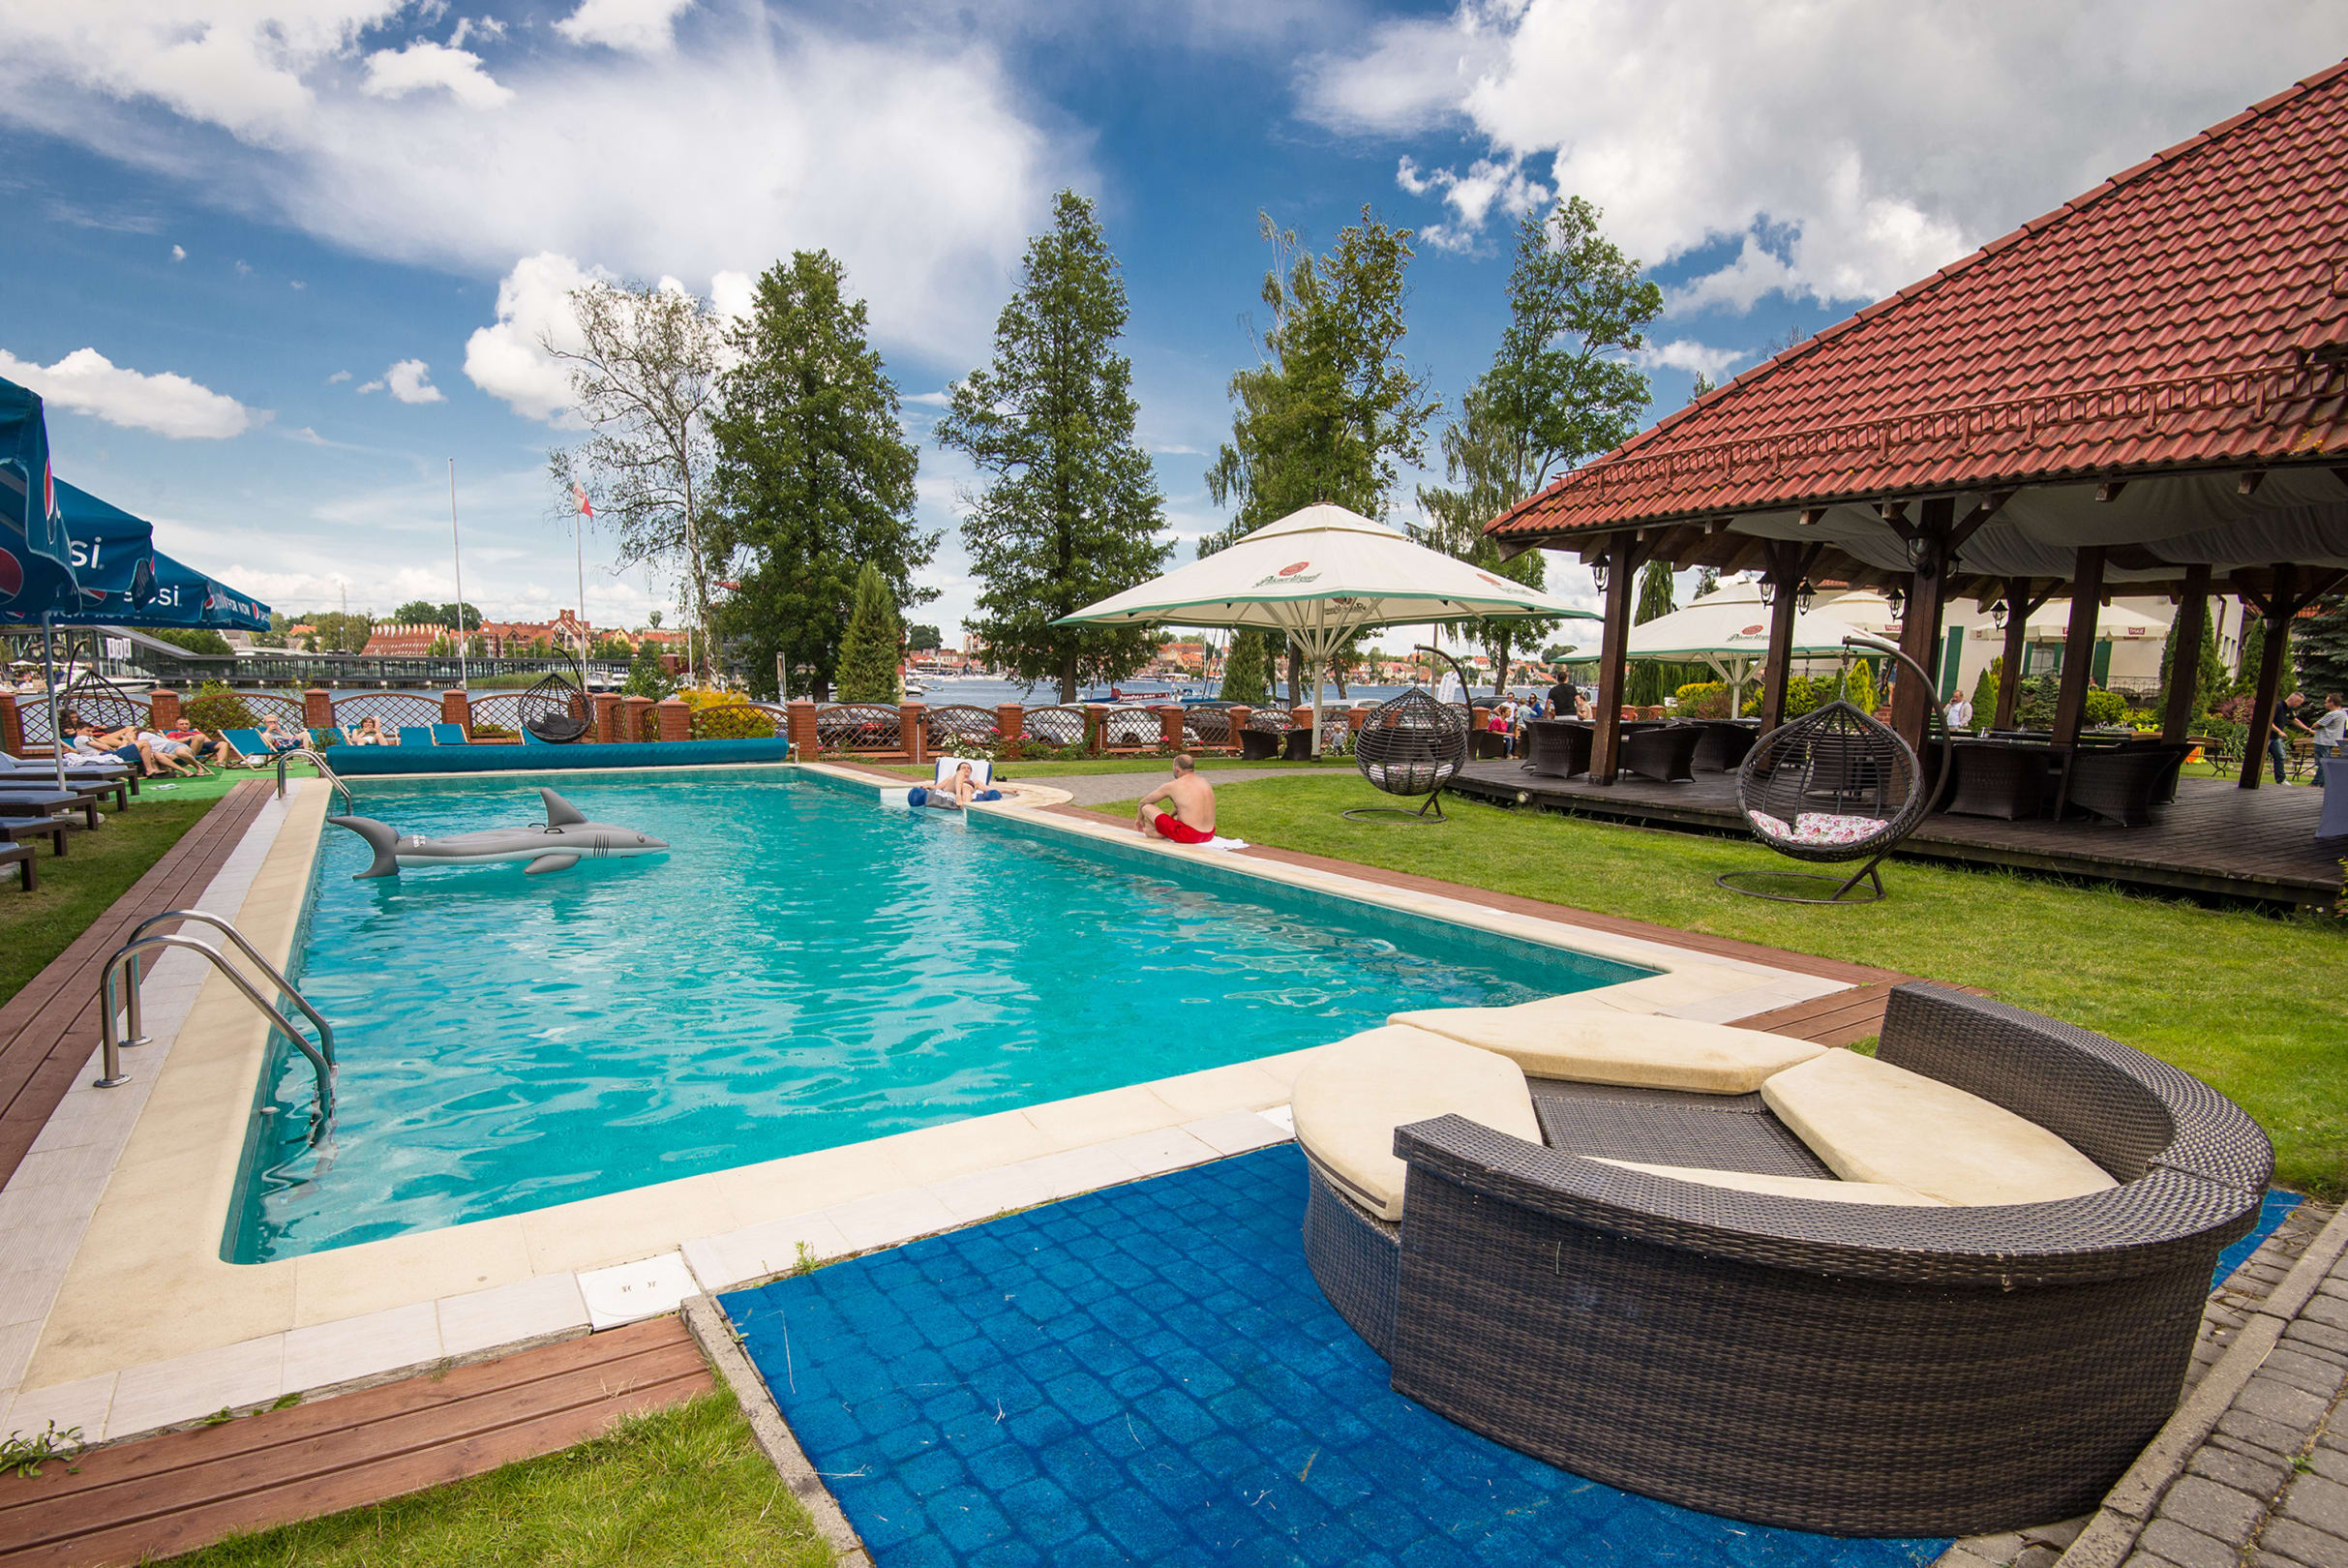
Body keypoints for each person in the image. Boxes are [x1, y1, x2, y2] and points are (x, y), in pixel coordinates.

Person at [1134, 753, 1216, 843]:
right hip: (1209, 834)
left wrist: (1139, 819)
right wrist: (1170, 816)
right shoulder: (1204, 782)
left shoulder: (1173, 785)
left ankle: (1160, 833)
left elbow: (1143, 802)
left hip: (1189, 836)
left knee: (1147, 807)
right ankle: (1162, 831)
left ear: (1177, 769)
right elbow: (1187, 805)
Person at [2269, 690, 2310, 784]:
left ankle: (2281, 780)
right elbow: (2268, 721)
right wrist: (2279, 731)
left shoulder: (2289, 709)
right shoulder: (2278, 706)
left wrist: (2307, 729)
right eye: (2299, 703)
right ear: (2294, 700)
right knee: (2260, 758)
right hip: (2267, 737)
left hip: (2276, 738)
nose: (2299, 705)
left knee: (2280, 757)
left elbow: (2294, 720)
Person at [2310, 692, 2346, 788]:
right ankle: (2322, 783)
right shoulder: (2343, 713)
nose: (2324, 704)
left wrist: (2313, 727)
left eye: (2326, 702)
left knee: (2322, 763)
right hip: (2332, 741)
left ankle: (2316, 783)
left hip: (2323, 741)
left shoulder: (2332, 714)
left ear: (2332, 703)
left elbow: (2316, 725)